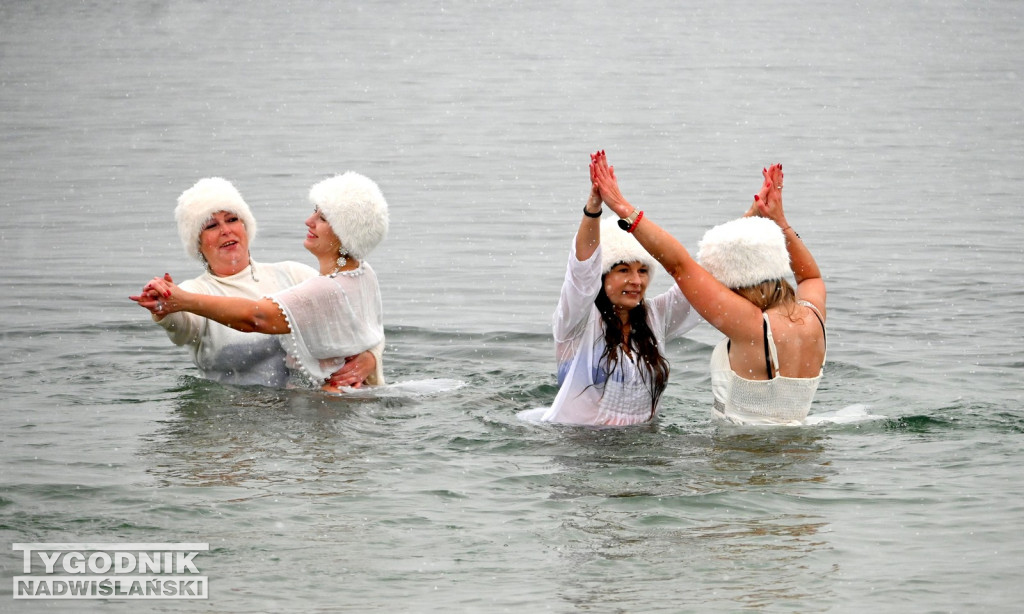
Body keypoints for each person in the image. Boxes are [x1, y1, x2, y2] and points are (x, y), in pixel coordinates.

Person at [591, 152, 827, 425]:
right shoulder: (814, 317)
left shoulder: (752, 326)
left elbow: (681, 267)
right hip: (800, 457)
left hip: (741, 457)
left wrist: (624, 210)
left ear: (740, 286)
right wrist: (780, 222)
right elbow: (810, 277)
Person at [132, 173, 385, 391]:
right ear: (196, 243)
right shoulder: (194, 292)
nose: (225, 231)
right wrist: (165, 307)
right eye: (211, 225)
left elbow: (358, 320)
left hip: (296, 418)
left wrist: (370, 358)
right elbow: (181, 324)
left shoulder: (293, 274)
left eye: (232, 220)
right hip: (232, 421)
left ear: (246, 226)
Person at [520, 162, 702, 426]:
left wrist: (752, 220)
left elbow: (700, 282)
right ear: (602, 275)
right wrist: (593, 209)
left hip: (641, 450)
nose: (636, 281)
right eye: (624, 270)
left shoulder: (655, 316)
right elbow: (581, 273)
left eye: (642, 271)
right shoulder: (577, 320)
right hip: (578, 446)